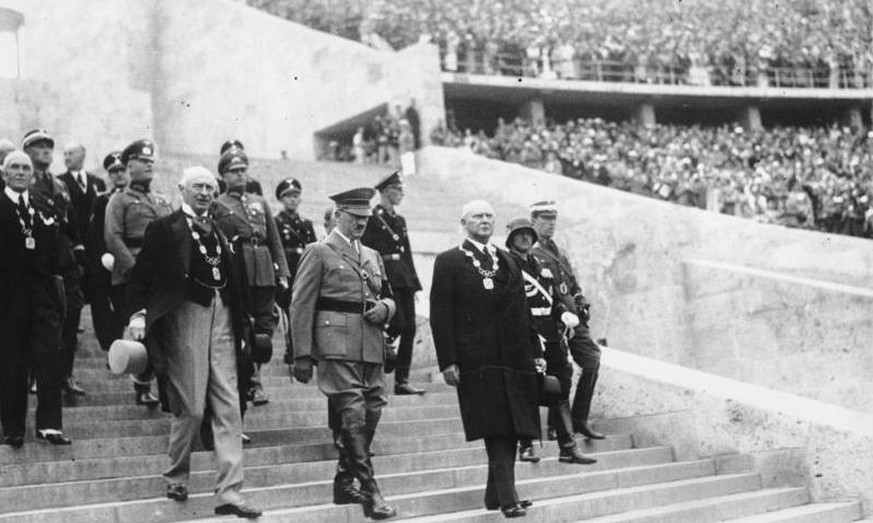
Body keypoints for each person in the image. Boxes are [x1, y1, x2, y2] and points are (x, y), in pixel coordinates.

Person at [125, 166, 262, 519]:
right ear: (181, 189)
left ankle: (230, 492)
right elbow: (139, 277)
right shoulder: (164, 229)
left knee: (229, 405)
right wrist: (138, 315)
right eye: (198, 186)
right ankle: (176, 474)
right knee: (193, 407)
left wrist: (245, 324)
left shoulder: (221, 230)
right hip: (185, 316)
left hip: (223, 318)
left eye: (210, 187)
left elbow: (237, 283)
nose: (204, 193)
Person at [429, 200, 542, 518]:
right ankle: (508, 497)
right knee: (496, 427)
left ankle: (495, 495)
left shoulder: (506, 260)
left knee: (511, 426)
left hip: (513, 357)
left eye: (489, 216)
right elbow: (440, 315)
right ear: (463, 221)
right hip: (476, 361)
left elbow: (523, 310)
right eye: (477, 216)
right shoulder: (449, 261)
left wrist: (536, 352)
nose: (485, 220)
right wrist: (448, 361)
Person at [290, 187, 397, 520]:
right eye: (355, 218)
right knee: (352, 414)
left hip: (370, 344)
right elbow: (300, 303)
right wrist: (302, 354)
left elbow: (391, 297)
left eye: (365, 218)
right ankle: (370, 491)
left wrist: (386, 309)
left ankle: (343, 478)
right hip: (335, 345)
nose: (361, 224)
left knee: (374, 408)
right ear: (338, 215)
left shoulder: (372, 255)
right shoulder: (318, 251)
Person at [504, 218, 597, 465]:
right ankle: (526, 446)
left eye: (528, 235)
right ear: (511, 239)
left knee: (560, 388)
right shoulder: (507, 264)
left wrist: (562, 312)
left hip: (551, 335)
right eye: (519, 235)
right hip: (525, 334)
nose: (524, 239)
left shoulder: (541, 264)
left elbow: (554, 297)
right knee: (527, 389)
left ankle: (568, 447)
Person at [0, 151, 71, 446]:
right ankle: (13, 427)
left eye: (25, 168)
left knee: (49, 358)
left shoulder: (43, 205)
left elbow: (56, 251)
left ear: (32, 174)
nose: (20, 172)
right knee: (11, 363)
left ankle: (50, 425)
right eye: (13, 167)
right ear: (4, 173)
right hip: (7, 296)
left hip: (42, 295)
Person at [213, 148, 290, 406]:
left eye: (243, 170)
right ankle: (251, 380)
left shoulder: (260, 201)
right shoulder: (218, 204)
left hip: (264, 267)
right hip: (239, 268)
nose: (240, 175)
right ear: (223, 175)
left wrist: (283, 271)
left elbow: (275, 240)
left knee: (265, 326)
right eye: (234, 171)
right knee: (243, 325)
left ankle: (256, 372)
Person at [530, 201, 605, 440]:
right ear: (533, 221)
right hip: (552, 320)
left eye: (553, 219)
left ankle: (579, 419)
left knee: (592, 360)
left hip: (573, 319)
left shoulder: (559, 251)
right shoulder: (531, 252)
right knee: (559, 370)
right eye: (545, 218)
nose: (551, 223)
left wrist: (580, 299)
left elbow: (572, 284)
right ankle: (555, 427)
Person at [22, 129, 88, 398]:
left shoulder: (60, 185)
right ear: (27, 152)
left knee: (71, 317)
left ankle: (65, 374)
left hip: (64, 260)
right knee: (38, 319)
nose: (46, 151)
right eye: (39, 146)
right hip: (36, 259)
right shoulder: (22, 183)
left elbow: (72, 224)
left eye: (49, 146)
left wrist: (79, 252)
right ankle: (37, 374)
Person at [104, 139, 170, 406]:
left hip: (161, 277)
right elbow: (113, 237)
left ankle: (145, 383)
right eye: (143, 162)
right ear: (129, 166)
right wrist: (135, 271)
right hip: (132, 277)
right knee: (145, 334)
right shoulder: (119, 200)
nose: (149, 165)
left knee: (160, 333)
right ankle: (142, 383)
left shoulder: (160, 200)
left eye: (151, 161)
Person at [362, 171, 424, 395]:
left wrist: (414, 283)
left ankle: (402, 380)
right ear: (386, 191)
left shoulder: (400, 220)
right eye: (398, 190)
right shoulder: (372, 218)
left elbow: (406, 252)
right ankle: (384, 343)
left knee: (410, 327)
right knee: (397, 322)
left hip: (404, 276)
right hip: (385, 274)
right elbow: (367, 252)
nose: (401, 194)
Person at [58, 142, 107, 389]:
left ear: (83, 155)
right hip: (72, 251)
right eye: (64, 154)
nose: (67, 158)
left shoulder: (97, 182)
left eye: (71, 153)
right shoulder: (59, 182)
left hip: (95, 251)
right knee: (72, 305)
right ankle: (66, 372)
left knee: (97, 297)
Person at [274, 177, 318, 367]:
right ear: (281, 200)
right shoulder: (276, 222)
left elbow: (315, 250)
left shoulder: (306, 224)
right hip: (287, 272)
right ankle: (293, 348)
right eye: (288, 196)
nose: (292, 200)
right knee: (291, 311)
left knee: (306, 310)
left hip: (304, 272)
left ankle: (307, 349)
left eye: (295, 196)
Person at [87, 152, 128, 351]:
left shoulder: (135, 199)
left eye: (122, 170)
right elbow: (95, 233)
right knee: (102, 304)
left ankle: (121, 347)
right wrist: (103, 253)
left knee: (124, 306)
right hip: (107, 261)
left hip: (128, 259)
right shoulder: (102, 200)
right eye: (114, 172)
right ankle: (111, 346)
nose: (119, 175)